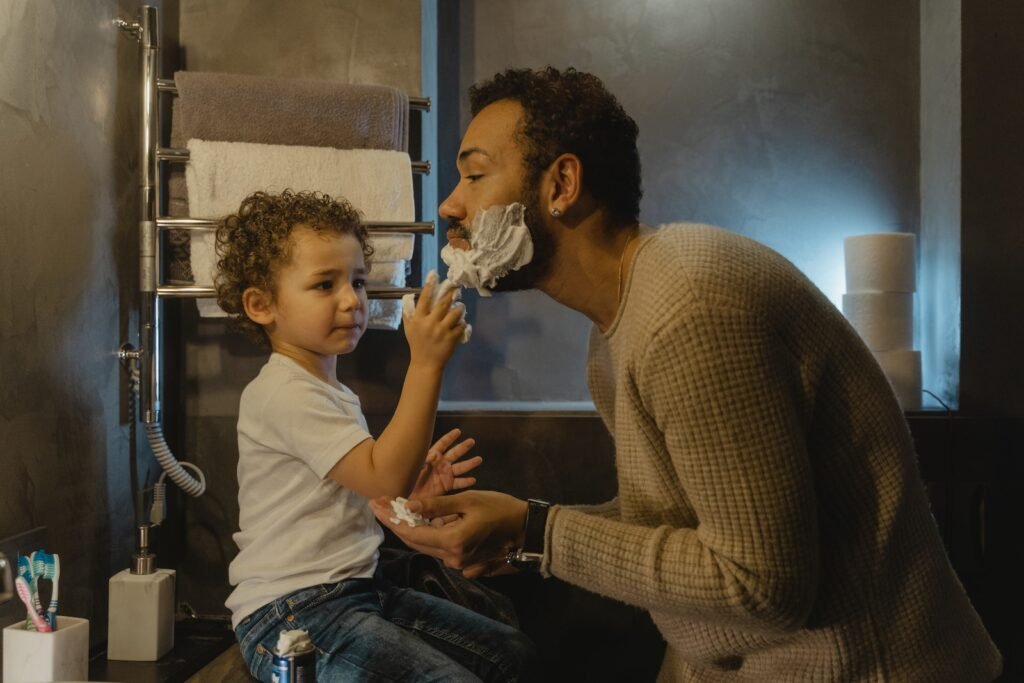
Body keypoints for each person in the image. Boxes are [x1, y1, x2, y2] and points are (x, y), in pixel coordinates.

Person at [371, 67, 1004, 681]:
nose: (451, 204)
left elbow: (763, 585)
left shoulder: (691, 309)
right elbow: (679, 526)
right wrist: (516, 536)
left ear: (561, 184)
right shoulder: (619, 322)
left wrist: (536, 532)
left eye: (475, 174)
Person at [215, 189, 537, 682]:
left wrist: (407, 493)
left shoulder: (327, 390)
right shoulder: (283, 392)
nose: (352, 300)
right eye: (325, 285)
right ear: (262, 305)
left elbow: (364, 488)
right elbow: (380, 471)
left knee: (510, 655)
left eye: (359, 282)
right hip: (292, 615)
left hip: (356, 591)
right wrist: (426, 363)